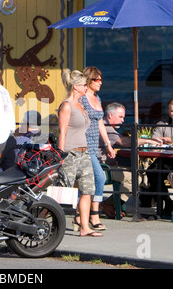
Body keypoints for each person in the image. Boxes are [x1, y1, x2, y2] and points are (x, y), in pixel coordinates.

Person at [98, 102, 163, 218]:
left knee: (132, 174)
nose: (123, 121)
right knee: (135, 178)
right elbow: (124, 142)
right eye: (121, 117)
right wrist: (149, 140)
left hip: (107, 165)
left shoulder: (106, 126)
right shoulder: (107, 128)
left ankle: (110, 204)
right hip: (103, 168)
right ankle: (108, 204)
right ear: (110, 116)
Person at [58, 69, 102, 237]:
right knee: (62, 190)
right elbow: (62, 131)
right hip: (70, 153)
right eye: (84, 85)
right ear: (76, 87)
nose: (86, 87)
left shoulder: (81, 104)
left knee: (87, 189)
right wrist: (61, 155)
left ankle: (84, 227)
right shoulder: (67, 106)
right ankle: (39, 218)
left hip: (84, 152)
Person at [80, 67, 115, 230]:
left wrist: (108, 143)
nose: (101, 82)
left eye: (101, 80)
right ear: (89, 80)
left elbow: (100, 122)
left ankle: (80, 216)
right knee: (99, 177)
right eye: (97, 80)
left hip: (95, 144)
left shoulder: (97, 98)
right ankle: (94, 214)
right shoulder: (81, 98)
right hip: (83, 144)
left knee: (87, 181)